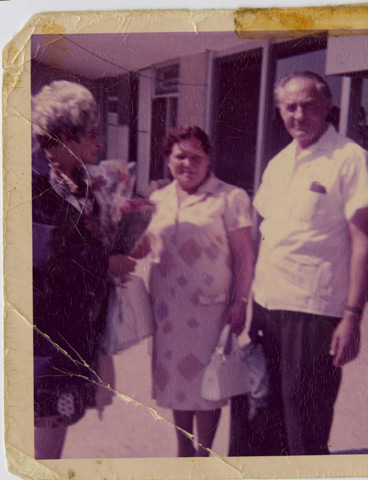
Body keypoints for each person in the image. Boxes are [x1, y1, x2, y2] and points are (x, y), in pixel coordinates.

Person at [231, 71, 368, 456]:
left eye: (308, 106)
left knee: (306, 424)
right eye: (290, 107)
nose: (298, 114)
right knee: (261, 416)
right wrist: (243, 300)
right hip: (266, 308)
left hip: (313, 313)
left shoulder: (350, 159)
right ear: (279, 110)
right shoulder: (278, 164)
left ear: (326, 106)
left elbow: (362, 242)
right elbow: (263, 237)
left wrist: (352, 315)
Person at [135, 126, 255, 456]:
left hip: (210, 312)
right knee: (176, 385)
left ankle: (204, 456)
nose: (188, 163)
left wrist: (240, 301)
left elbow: (245, 254)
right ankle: (183, 452)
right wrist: (119, 225)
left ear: (208, 159)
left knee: (207, 386)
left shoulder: (231, 197)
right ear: (168, 160)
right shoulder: (157, 199)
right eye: (180, 156)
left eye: (196, 157)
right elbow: (141, 249)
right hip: (168, 313)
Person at [31, 80, 135, 459]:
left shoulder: (79, 181)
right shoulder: (31, 179)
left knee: (57, 430)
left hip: (74, 332)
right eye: (91, 133)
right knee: (43, 434)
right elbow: (43, 253)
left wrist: (122, 244)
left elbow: (84, 243)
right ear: (66, 134)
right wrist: (105, 263)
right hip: (43, 336)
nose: (100, 142)